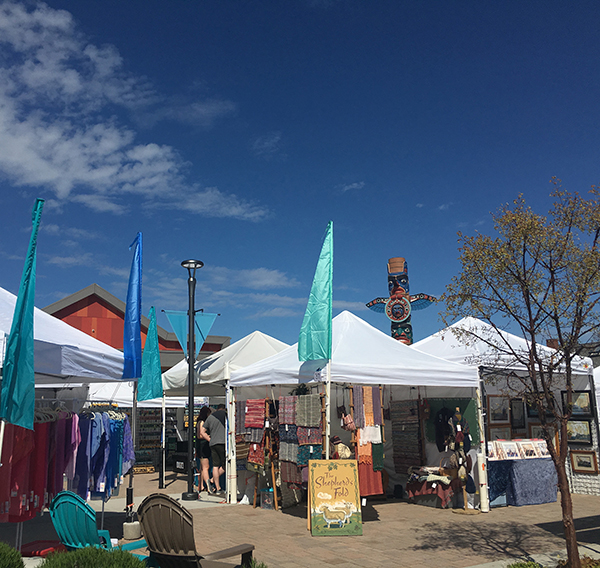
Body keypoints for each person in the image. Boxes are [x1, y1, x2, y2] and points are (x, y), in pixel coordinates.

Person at [200, 403, 227, 494]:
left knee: (215, 466)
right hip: (223, 443)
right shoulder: (226, 414)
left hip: (212, 444)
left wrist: (209, 439)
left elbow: (202, 432)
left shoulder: (210, 417)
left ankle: (217, 487)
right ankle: (213, 481)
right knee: (226, 465)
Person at [196, 406, 214, 493]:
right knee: (206, 467)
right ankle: (208, 485)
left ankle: (202, 485)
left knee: (203, 468)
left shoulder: (200, 421)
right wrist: (208, 436)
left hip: (202, 446)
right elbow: (200, 435)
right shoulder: (202, 422)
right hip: (203, 446)